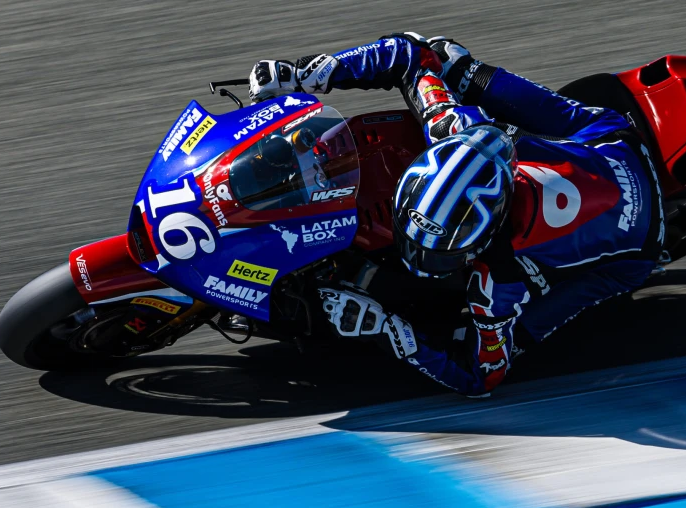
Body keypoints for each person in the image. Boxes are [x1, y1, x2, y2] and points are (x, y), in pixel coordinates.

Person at [247, 33, 664, 396]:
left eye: (442, 253)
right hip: (606, 141)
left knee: (517, 338)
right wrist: (308, 73)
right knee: (450, 61)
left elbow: (481, 378)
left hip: (639, 243)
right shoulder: (452, 126)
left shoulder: (500, 281)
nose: (422, 260)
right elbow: (411, 54)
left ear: (484, 238)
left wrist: (388, 327)